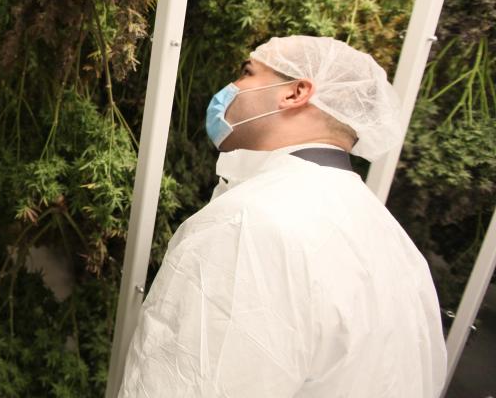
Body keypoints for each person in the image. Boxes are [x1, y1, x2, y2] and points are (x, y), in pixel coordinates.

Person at [118, 35, 447, 398]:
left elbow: (189, 383)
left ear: (296, 93)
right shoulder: (392, 241)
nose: (230, 89)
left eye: (247, 73)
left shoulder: (250, 223)